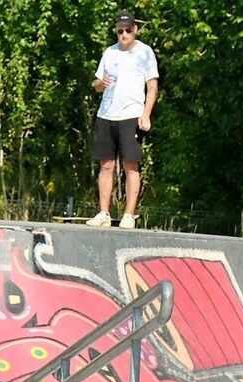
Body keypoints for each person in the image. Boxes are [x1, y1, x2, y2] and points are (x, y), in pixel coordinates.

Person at [86, 10, 158, 230]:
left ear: (135, 29)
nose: (124, 34)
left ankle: (129, 214)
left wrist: (146, 114)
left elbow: (152, 86)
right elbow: (96, 85)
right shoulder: (110, 53)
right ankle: (104, 213)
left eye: (128, 30)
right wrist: (101, 83)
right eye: (120, 31)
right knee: (106, 165)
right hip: (106, 114)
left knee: (130, 165)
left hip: (131, 116)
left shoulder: (144, 52)